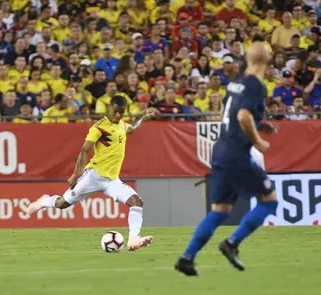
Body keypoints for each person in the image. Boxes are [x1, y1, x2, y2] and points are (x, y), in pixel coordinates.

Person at [175, 42, 279, 276]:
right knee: (270, 200)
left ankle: (187, 258)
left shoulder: (236, 83)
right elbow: (243, 116)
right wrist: (258, 141)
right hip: (236, 155)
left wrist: (261, 124)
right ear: (267, 61)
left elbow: (234, 114)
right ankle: (232, 243)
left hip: (220, 152)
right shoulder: (256, 85)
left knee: (220, 210)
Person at [28, 96, 157, 251]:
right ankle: (44, 202)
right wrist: (76, 175)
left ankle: (133, 240)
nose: (118, 115)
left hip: (112, 181)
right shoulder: (99, 127)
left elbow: (133, 128)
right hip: (93, 176)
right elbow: (84, 150)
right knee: (62, 204)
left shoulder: (122, 125)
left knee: (137, 202)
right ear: (109, 107)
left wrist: (143, 116)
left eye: (121, 113)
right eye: (116, 112)